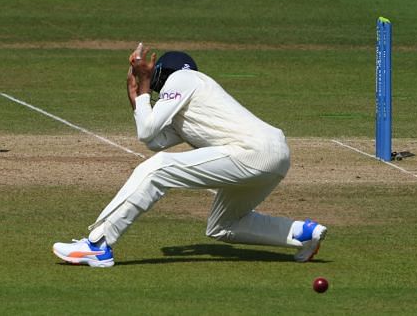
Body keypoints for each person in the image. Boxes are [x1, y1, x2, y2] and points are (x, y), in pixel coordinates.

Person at [53, 43, 326, 267]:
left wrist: (146, 86)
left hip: (252, 151)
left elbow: (148, 133)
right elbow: (154, 140)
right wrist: (137, 95)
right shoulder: (189, 105)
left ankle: (99, 245)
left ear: (162, 73)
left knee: (157, 169)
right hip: (274, 155)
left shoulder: (182, 79)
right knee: (223, 226)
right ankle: (302, 233)